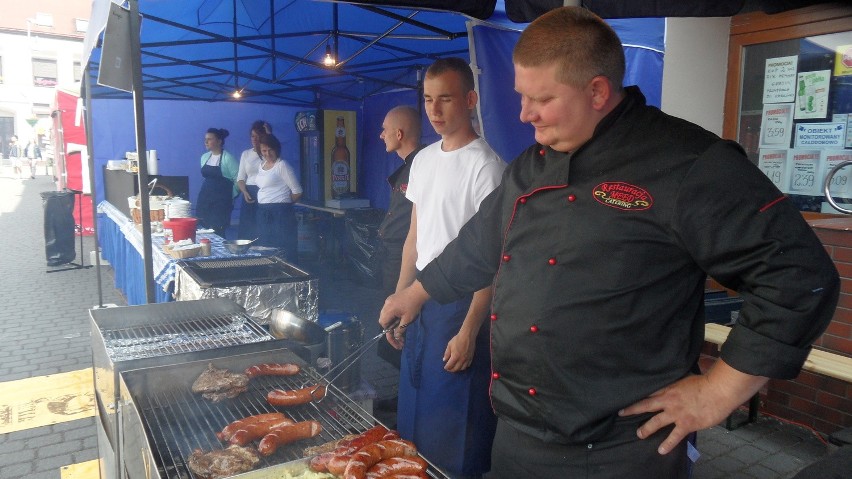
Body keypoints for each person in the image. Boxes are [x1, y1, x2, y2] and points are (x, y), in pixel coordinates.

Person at [379, 7, 839, 479]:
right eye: (521, 96)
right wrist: (415, 293)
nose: (523, 113)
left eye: (541, 98)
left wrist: (720, 390)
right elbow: (478, 244)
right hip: (519, 436)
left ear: (597, 91)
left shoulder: (688, 162)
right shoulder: (531, 165)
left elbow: (799, 275)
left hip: (620, 450)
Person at [387, 58, 505, 478]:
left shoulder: (486, 167)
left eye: (446, 99)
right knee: (414, 413)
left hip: (462, 307)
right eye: (428, 100)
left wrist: (471, 330)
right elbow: (414, 238)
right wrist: (401, 296)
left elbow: (491, 260)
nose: (435, 111)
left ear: (470, 100)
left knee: (455, 420)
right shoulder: (422, 160)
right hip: (421, 296)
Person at [376, 105, 424, 370]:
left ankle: (406, 392)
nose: (381, 135)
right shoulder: (409, 165)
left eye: (384, 130)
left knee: (398, 323)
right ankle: (403, 391)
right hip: (393, 254)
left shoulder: (424, 164)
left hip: (406, 256)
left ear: (399, 132)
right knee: (391, 323)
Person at [255, 133, 302, 261]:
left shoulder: (282, 165)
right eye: (264, 150)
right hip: (263, 212)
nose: (267, 153)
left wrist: (283, 203)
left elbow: (297, 191)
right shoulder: (261, 165)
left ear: (276, 149)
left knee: (283, 247)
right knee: (266, 246)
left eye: (270, 150)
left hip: (281, 213)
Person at [196, 128, 239, 237]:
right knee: (203, 229)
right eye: (205, 139)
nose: (206, 142)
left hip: (221, 202)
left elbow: (239, 180)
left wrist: (231, 196)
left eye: (210, 139)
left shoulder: (228, 158)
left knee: (218, 230)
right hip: (205, 198)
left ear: (219, 141)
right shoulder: (204, 157)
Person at [236, 120, 271, 240]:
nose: (254, 139)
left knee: (263, 227)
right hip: (249, 192)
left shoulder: (268, 154)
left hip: (265, 192)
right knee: (247, 228)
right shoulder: (246, 154)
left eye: (258, 136)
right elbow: (240, 178)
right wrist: (244, 191)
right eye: (252, 136)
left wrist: (269, 137)